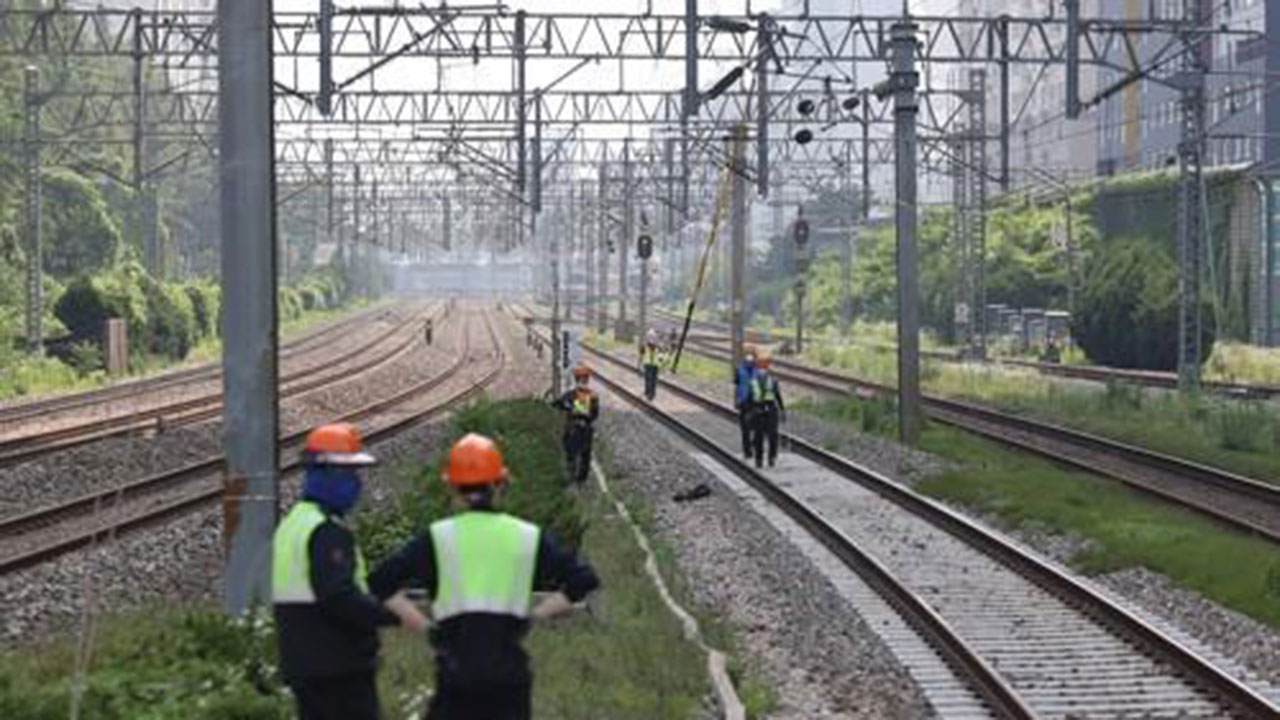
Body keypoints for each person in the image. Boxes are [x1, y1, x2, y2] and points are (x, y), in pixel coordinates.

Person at [368, 434, 601, 720]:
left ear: (453, 488)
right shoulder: (525, 536)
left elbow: (380, 581)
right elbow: (583, 579)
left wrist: (426, 628)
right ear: (499, 484)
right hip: (509, 677)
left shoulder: (438, 537)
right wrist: (535, 616)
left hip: (456, 674)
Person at [272, 423, 429, 720]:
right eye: (350, 474)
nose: (356, 483)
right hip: (337, 667)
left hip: (302, 663)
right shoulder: (326, 532)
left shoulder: (293, 525)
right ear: (327, 475)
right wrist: (393, 616)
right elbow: (338, 595)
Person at [551, 364, 600, 484]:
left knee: (571, 453)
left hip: (573, 429)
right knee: (585, 456)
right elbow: (595, 414)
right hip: (586, 429)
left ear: (576, 379)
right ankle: (580, 481)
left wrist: (566, 407)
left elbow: (556, 403)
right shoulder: (593, 395)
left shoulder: (571, 394)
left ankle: (572, 477)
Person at [749, 353, 786, 468]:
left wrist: (748, 412)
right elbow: (778, 396)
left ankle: (759, 460)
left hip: (758, 411)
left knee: (758, 436)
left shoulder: (753, 381)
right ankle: (771, 458)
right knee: (772, 436)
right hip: (771, 411)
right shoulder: (773, 380)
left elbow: (749, 399)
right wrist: (782, 411)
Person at [734, 345, 758, 459]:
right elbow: (737, 385)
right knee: (748, 428)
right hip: (747, 401)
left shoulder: (757, 370)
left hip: (751, 401)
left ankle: (750, 447)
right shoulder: (740, 369)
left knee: (752, 427)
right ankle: (748, 449)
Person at [639, 329, 662, 401]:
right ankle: (650, 392)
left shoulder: (649, 346)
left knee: (650, 379)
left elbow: (641, 354)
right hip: (652, 364)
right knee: (651, 379)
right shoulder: (655, 346)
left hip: (651, 365)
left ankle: (650, 393)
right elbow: (641, 353)